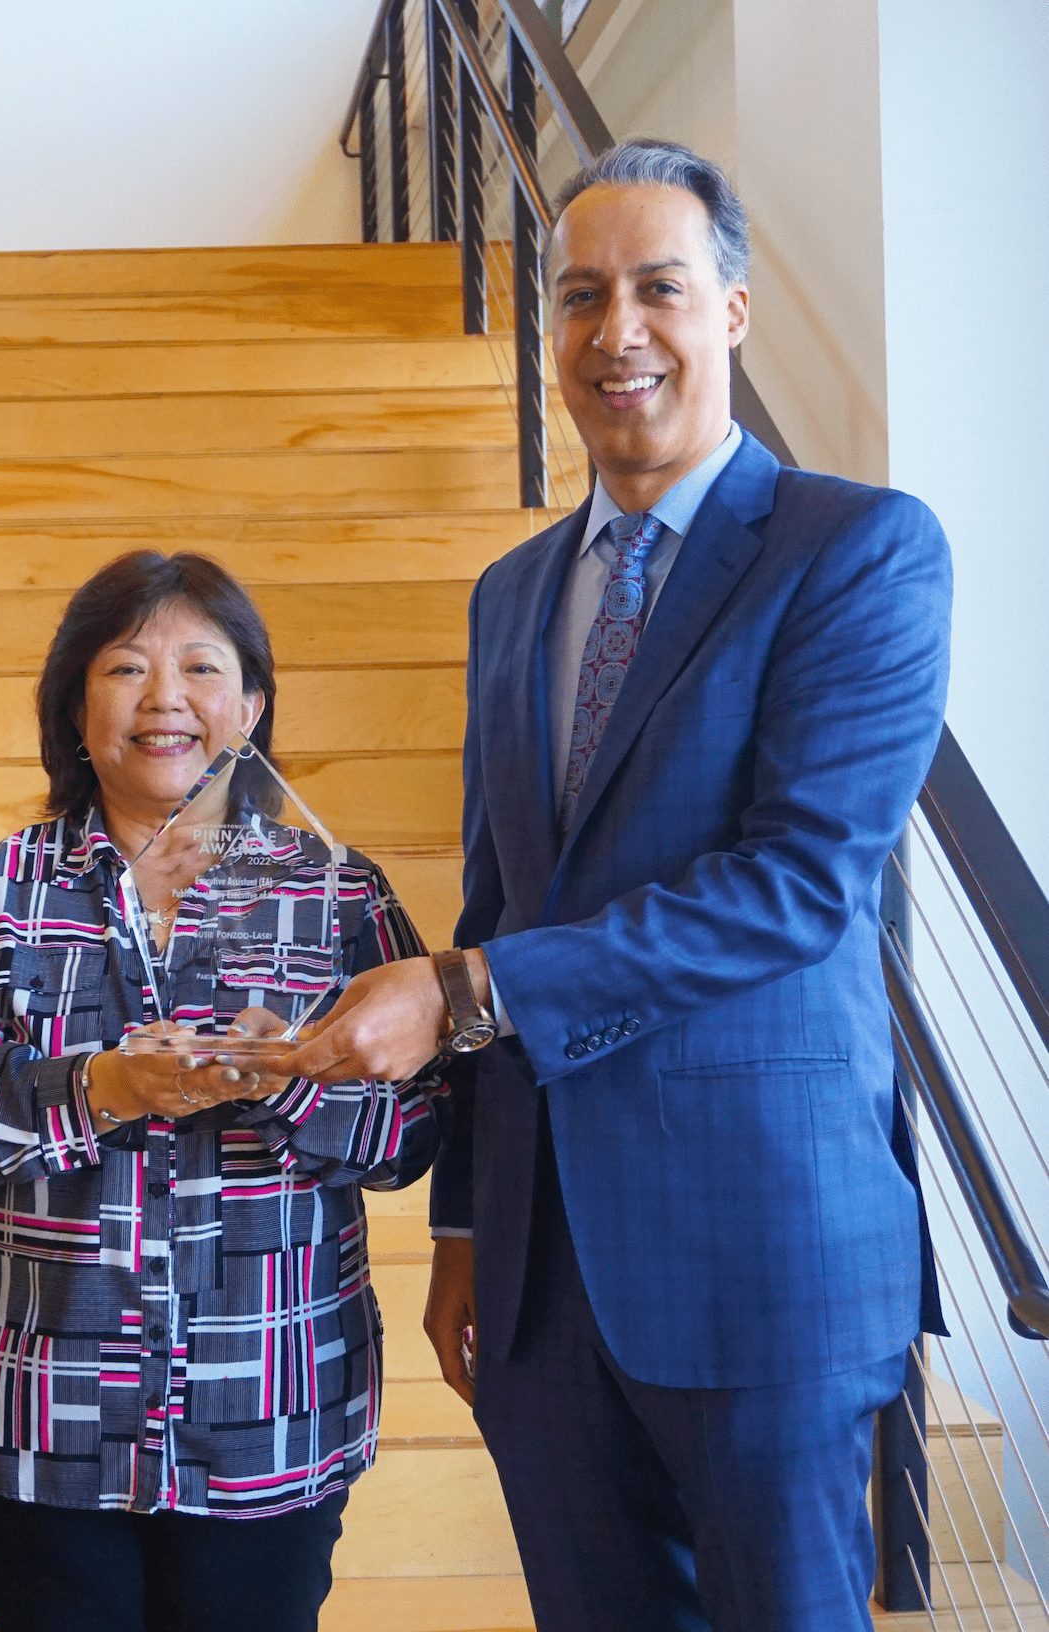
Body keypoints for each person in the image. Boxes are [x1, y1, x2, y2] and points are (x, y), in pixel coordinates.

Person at [273, 140, 953, 1632]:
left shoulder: (855, 550)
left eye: (658, 287)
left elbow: (796, 884)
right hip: (541, 1276)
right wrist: (465, 1227)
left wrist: (466, 992)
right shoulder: (511, 592)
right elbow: (496, 901)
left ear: (733, 310)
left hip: (764, 1255)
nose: (614, 330)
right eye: (579, 295)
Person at [0, 550, 438, 1632]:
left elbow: (414, 1133)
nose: (164, 699)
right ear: (75, 709)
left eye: (202, 667)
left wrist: (286, 1082)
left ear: (251, 708)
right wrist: (103, 1088)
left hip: (269, 1408)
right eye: (127, 669)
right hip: (40, 1415)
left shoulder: (337, 892)